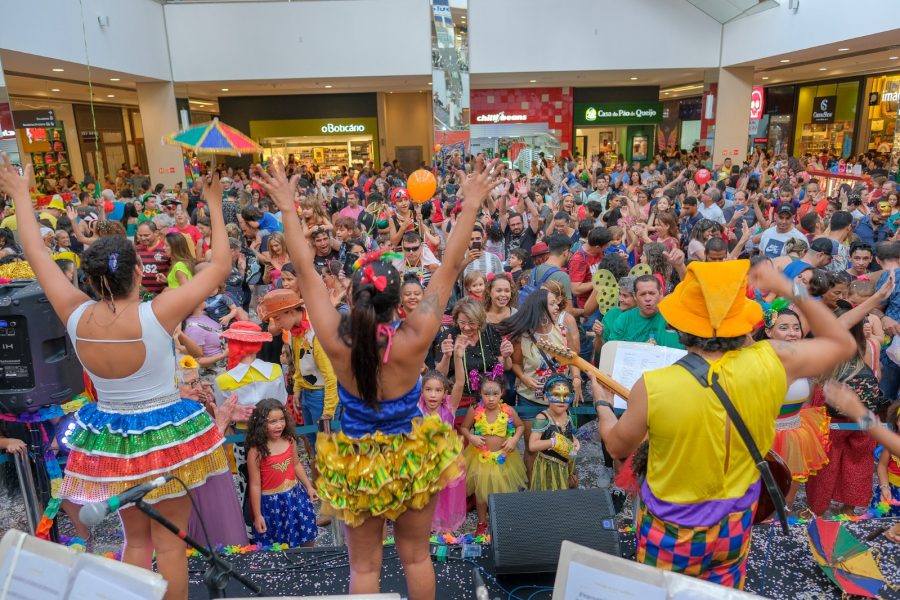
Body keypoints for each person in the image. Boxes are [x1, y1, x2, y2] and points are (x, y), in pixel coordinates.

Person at [255, 157, 501, 600]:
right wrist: (472, 202)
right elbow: (447, 267)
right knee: (417, 558)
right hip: (413, 455)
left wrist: (287, 209)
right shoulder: (416, 335)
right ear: (397, 302)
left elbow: (305, 271)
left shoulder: (335, 339)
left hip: (357, 461)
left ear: (353, 295)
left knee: (364, 569)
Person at [0, 155, 232, 600]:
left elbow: (35, 252)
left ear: (88, 278)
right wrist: (214, 205)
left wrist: (21, 200)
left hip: (111, 436)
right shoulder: (157, 314)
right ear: (138, 273)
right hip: (165, 435)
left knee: (136, 541)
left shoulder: (73, 311)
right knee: (170, 544)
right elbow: (219, 266)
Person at [593, 259, 855, 589]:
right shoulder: (773, 358)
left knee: (663, 595)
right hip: (735, 523)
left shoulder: (652, 385)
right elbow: (843, 343)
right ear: (741, 322)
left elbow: (617, 447)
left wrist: (602, 402)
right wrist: (791, 289)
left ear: (681, 325)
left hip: (672, 529)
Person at [755, 307, 829, 507]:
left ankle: (782, 524)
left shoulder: (803, 360)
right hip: (764, 435)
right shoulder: (757, 360)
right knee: (760, 496)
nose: (792, 333)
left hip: (797, 432)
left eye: (796, 328)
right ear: (769, 332)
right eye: (784, 327)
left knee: (787, 497)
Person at [824, 381, 900, 542]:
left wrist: (858, 413)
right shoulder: (892, 444)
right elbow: (883, 462)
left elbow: (876, 431)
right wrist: (885, 486)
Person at [459, 367, 526, 537]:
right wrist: (471, 437)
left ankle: (503, 522)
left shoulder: (508, 410)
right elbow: (465, 428)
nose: (490, 398)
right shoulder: (475, 409)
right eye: (486, 394)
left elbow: (520, 426)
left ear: (502, 392)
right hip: (480, 458)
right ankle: (482, 523)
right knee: (481, 493)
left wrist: (514, 439)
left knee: (503, 491)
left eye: (495, 394)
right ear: (479, 393)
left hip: (504, 458)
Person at [246, 399, 318, 548]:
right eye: (272, 421)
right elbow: (254, 484)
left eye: (281, 419)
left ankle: (310, 564)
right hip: (273, 504)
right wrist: (258, 515)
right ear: (260, 424)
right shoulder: (256, 452)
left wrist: (309, 486)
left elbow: (296, 464)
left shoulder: (289, 440)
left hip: (295, 496)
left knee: (306, 534)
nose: (279, 425)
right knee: (277, 544)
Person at [419, 370, 466, 533]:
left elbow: (459, 383)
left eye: (438, 390)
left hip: (447, 462)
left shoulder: (450, 408)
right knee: (425, 496)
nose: (433, 395)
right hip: (423, 461)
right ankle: (426, 528)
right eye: (428, 389)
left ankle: (444, 530)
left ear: (445, 393)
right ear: (422, 392)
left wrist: (458, 356)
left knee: (445, 496)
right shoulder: (418, 409)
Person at [529, 375, 579, 491]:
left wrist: (575, 441)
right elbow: (532, 445)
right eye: (556, 395)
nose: (561, 401)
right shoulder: (542, 418)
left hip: (566, 464)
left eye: (566, 396)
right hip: (548, 467)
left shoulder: (568, 413)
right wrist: (553, 442)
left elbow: (570, 434)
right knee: (549, 497)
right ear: (546, 397)